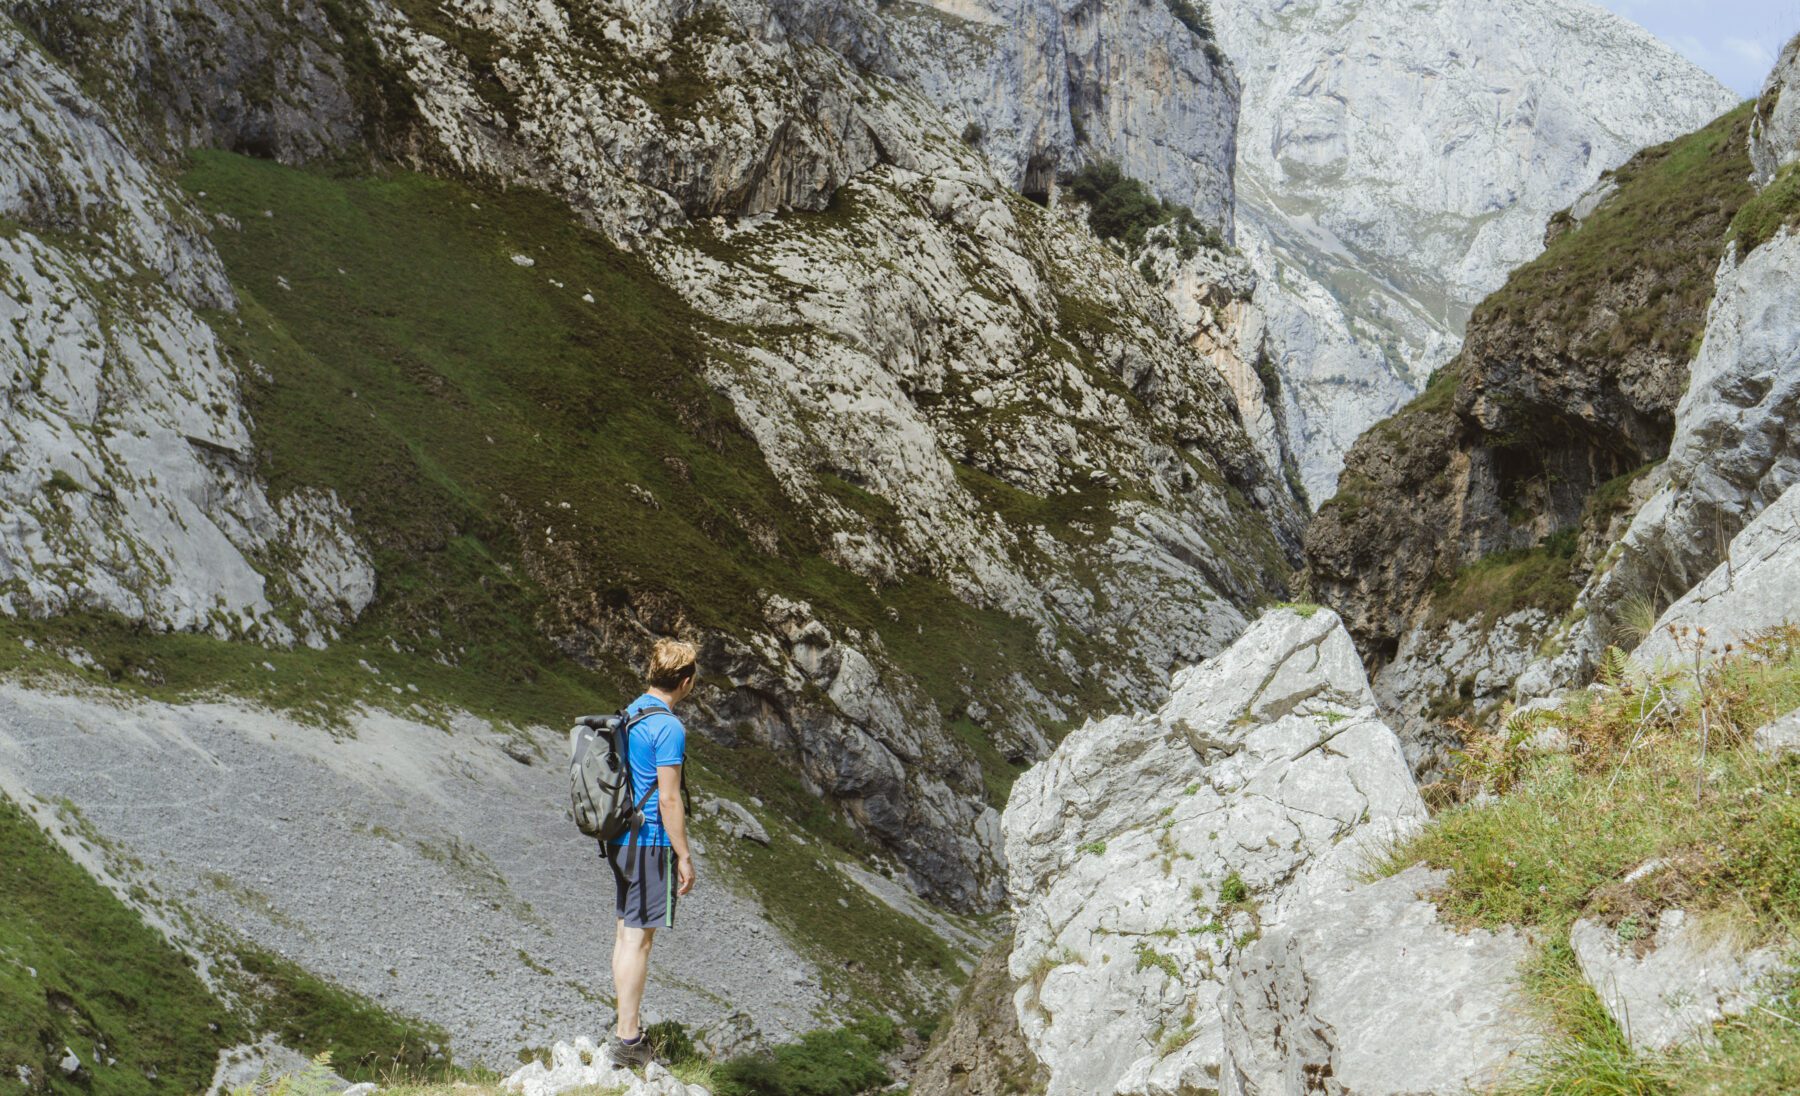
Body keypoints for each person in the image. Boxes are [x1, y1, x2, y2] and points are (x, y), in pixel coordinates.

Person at [606, 638, 699, 1069]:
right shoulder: (669, 726)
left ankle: (628, 1025)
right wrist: (683, 855)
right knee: (640, 941)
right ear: (685, 681)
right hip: (651, 842)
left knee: (626, 933)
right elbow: (669, 799)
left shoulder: (631, 711)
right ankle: (628, 1041)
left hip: (621, 838)